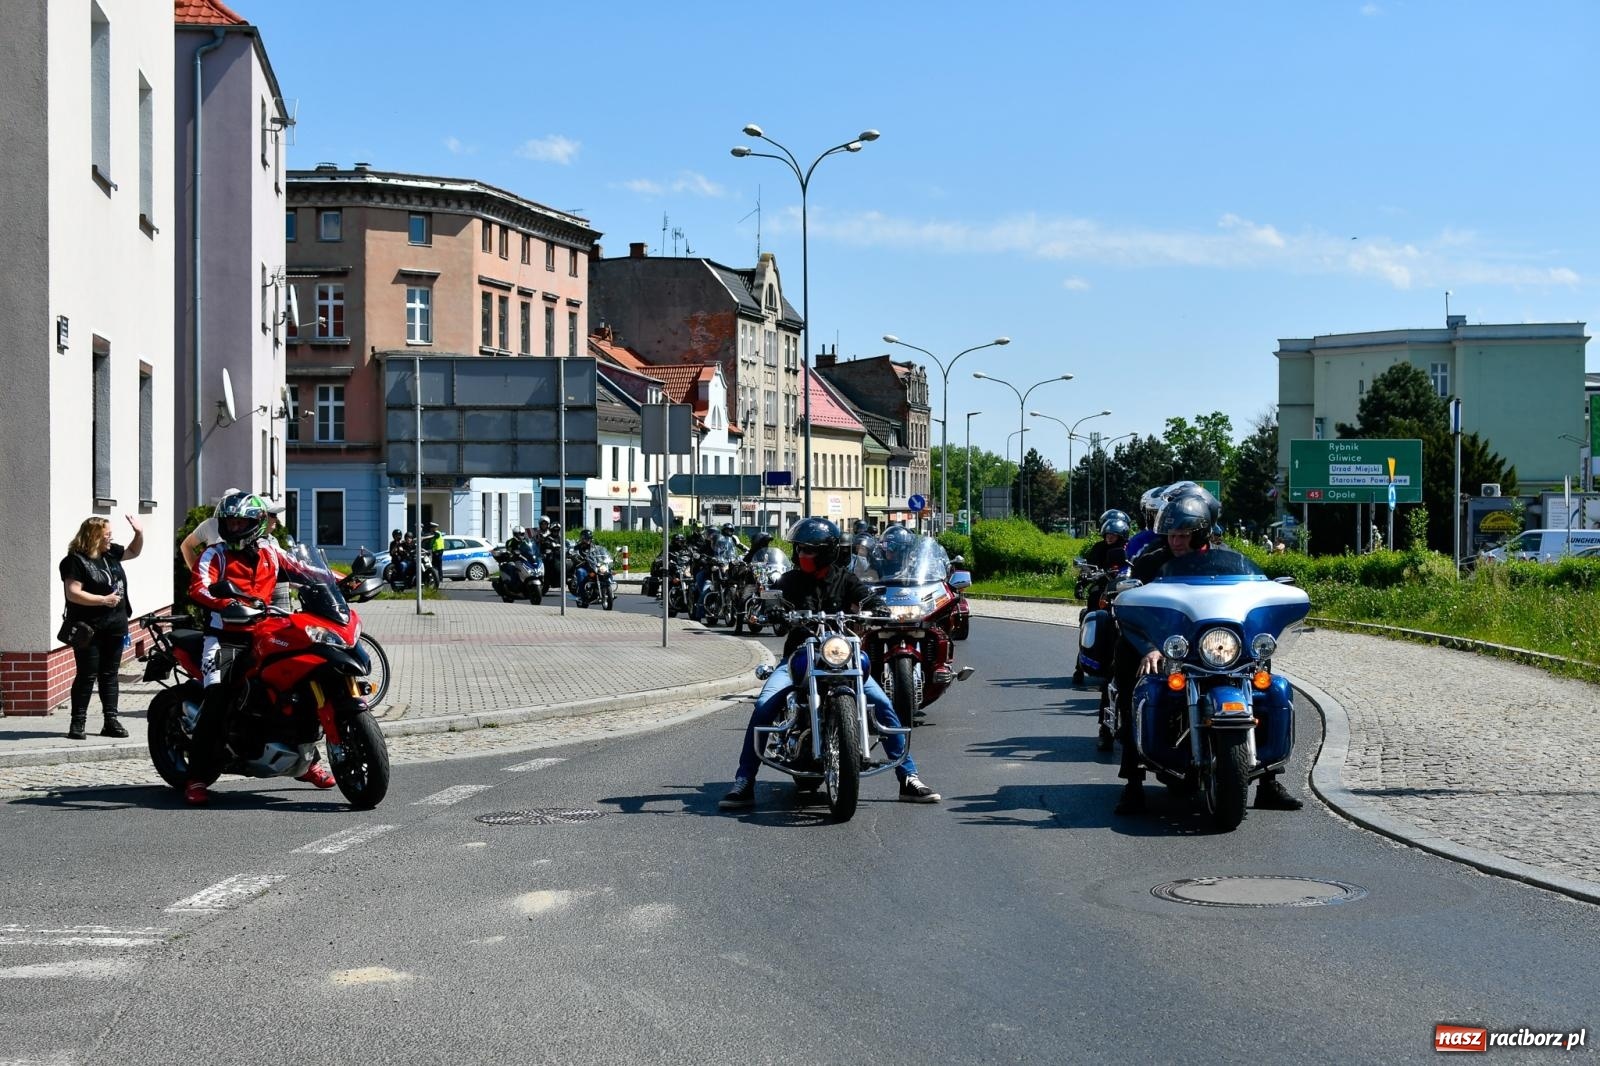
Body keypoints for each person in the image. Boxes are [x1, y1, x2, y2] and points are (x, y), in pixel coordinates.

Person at [719, 517, 939, 809]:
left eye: (808, 550)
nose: (801, 556)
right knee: (764, 706)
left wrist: (878, 608)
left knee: (883, 705)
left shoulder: (846, 579)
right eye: (799, 550)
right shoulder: (791, 580)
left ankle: (909, 777)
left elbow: (866, 597)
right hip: (800, 656)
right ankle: (744, 780)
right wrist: (771, 609)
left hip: (841, 655)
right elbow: (774, 599)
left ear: (826, 551)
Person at [1110, 490, 1301, 815]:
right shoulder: (1152, 560)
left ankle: (1269, 782)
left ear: (1201, 533)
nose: (1176, 541)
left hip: (1218, 646)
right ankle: (1133, 783)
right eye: (1172, 534)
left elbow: (1251, 593)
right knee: (1133, 685)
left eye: (1184, 535)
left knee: (1267, 687)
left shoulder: (1228, 560)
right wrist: (1150, 648)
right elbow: (1132, 609)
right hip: (1167, 648)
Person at [184, 492, 332, 805]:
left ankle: (307, 762)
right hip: (224, 638)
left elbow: (305, 571)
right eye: (230, 522)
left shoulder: (271, 553)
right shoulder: (215, 555)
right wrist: (227, 603)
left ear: (257, 524)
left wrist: (342, 582)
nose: (235, 528)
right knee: (218, 694)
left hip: (266, 632)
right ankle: (197, 776)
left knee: (302, 682)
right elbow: (199, 587)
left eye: (242, 522)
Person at [58, 515, 144, 739]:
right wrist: (103, 600)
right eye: (107, 535)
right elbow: (73, 593)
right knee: (87, 674)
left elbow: (134, 553)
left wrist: (139, 533)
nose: (110, 538)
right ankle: (78, 723)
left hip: (115, 624)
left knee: (110, 675)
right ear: (94, 536)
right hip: (89, 627)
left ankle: (110, 721)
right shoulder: (75, 561)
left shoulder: (110, 553)